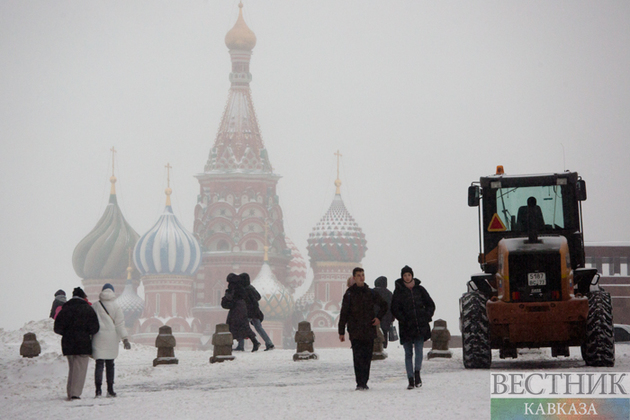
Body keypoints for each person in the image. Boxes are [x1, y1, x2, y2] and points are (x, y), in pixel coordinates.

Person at [338, 267, 388, 391]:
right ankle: (359, 382)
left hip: (369, 329)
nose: (361, 277)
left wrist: (378, 318)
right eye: (359, 275)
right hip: (355, 330)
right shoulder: (349, 294)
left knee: (367, 357)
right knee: (357, 356)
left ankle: (364, 380)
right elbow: (344, 312)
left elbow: (384, 305)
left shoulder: (370, 293)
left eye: (363, 275)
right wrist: (341, 331)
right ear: (354, 278)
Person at [391, 265, 435, 390]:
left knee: (419, 352)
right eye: (404, 275)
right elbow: (394, 308)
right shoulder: (398, 291)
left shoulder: (420, 289)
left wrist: (426, 316)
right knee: (408, 353)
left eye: (409, 275)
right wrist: (403, 318)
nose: (407, 277)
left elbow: (430, 304)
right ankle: (410, 379)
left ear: (412, 275)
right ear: (402, 277)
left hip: (419, 326)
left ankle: (417, 374)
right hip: (406, 327)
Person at [53, 287, 100, 400]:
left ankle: (70, 391)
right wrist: (85, 333)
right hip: (83, 344)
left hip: (68, 344)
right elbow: (95, 328)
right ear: (83, 296)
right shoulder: (87, 309)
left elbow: (57, 328)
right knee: (80, 370)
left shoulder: (66, 308)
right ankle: (75, 394)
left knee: (72, 368)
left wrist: (67, 333)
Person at [92, 283, 131, 397]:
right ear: (112, 292)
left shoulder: (95, 306)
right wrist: (125, 339)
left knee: (99, 364)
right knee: (110, 364)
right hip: (111, 339)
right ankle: (110, 389)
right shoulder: (116, 306)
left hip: (98, 337)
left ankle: (98, 390)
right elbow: (120, 325)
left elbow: (90, 323)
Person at [221, 273, 261, 352]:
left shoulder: (233, 286)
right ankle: (249, 343)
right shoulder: (241, 286)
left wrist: (225, 297)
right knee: (242, 326)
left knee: (234, 326)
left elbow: (230, 296)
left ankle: (229, 345)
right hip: (242, 308)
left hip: (236, 308)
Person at [238, 273, 275, 351]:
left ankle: (241, 346)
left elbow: (245, 301)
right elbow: (258, 296)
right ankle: (269, 343)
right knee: (259, 328)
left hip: (249, 312)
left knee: (241, 326)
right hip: (256, 311)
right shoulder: (251, 288)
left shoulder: (244, 289)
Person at [373, 276, 394, 349]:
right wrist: (392, 318)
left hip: (374, 317)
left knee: (375, 332)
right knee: (384, 332)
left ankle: (375, 347)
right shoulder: (389, 293)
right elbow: (392, 307)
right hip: (386, 317)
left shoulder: (372, 292)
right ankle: (383, 346)